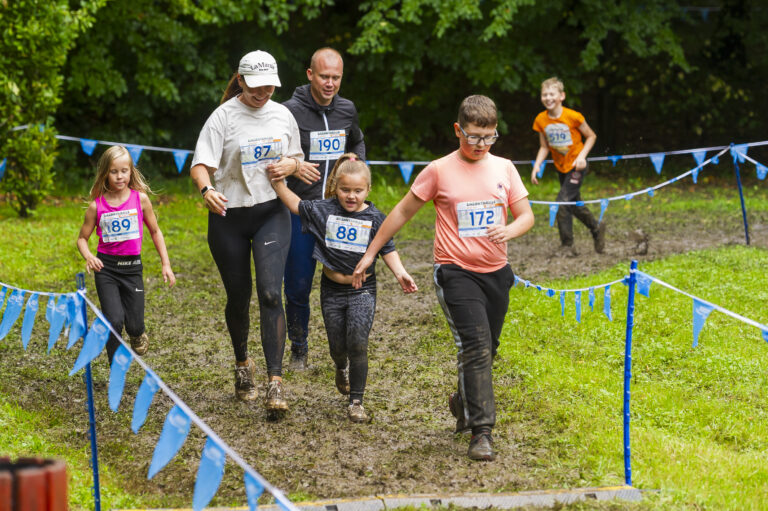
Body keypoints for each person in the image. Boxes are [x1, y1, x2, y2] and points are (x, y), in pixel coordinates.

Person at [352, 96, 534, 461]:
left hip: (497, 273)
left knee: (488, 348)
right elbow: (402, 212)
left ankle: (463, 399)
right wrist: (370, 253)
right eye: (474, 136)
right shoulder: (439, 170)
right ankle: (481, 433)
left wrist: (509, 230)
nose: (481, 144)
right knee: (476, 347)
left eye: (489, 137)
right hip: (455, 271)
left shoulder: (504, 168)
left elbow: (526, 216)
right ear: (458, 130)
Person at [190, 50, 303, 412]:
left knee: (270, 293)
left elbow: (297, 157)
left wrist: (291, 165)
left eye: (270, 86)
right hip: (229, 216)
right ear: (240, 80)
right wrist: (207, 190)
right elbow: (200, 165)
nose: (263, 92)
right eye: (256, 86)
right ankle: (242, 364)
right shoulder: (222, 117)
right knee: (239, 297)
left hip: (272, 212)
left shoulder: (283, 115)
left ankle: (275, 384)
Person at [270, 153, 417, 422]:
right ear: (335, 187)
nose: (351, 196)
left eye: (358, 191)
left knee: (358, 342)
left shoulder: (376, 218)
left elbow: (387, 248)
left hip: (363, 290)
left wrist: (401, 273)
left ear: (368, 190)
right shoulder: (324, 210)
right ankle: (341, 366)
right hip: (332, 290)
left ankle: (356, 402)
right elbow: (296, 205)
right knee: (337, 346)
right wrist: (277, 182)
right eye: (345, 190)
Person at [281, 47, 366, 371]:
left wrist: (356, 162)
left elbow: (356, 141)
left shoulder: (347, 109)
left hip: (339, 212)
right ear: (310, 75)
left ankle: (343, 350)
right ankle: (299, 346)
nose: (330, 83)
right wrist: (293, 166)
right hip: (301, 212)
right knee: (298, 284)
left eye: (336, 77)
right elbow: (275, 156)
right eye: (324, 76)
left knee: (344, 281)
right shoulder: (288, 112)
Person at [76, 145, 176, 362]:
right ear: (105, 173)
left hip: (132, 269)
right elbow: (82, 238)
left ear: (131, 171)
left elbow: (155, 231)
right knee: (113, 320)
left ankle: (138, 333)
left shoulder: (140, 200)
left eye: (124, 171)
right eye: (114, 171)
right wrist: (89, 256)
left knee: (134, 325)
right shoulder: (96, 206)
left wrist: (166, 264)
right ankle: (116, 366)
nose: (119, 176)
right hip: (106, 269)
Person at [530, 76, 605, 256]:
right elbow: (544, 146)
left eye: (552, 94)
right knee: (573, 204)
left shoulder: (573, 116)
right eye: (544, 94)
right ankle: (596, 228)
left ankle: (567, 246)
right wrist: (537, 165)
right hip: (561, 167)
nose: (548, 98)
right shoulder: (541, 120)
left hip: (577, 166)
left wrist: (582, 157)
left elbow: (591, 136)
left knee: (562, 203)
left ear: (561, 96)